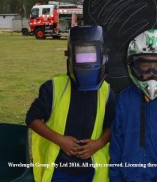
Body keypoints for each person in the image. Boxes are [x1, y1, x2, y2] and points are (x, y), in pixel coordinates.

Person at [25, 25, 116, 182]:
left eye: (91, 54)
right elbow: (32, 118)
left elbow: (112, 124)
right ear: (70, 56)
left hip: (92, 171)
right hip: (60, 170)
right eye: (81, 54)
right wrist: (60, 140)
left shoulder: (107, 92)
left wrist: (98, 143)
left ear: (102, 56)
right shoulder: (53, 88)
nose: (86, 63)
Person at [109, 29, 157, 182]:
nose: (151, 73)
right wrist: (115, 177)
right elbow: (117, 142)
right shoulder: (125, 98)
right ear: (133, 66)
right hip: (129, 177)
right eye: (145, 66)